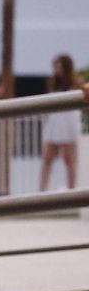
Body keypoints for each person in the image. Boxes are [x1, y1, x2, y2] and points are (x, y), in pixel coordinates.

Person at [40, 54, 82, 192]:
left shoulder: (76, 83)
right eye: (56, 66)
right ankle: (41, 192)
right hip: (54, 123)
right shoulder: (52, 82)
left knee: (69, 161)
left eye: (60, 66)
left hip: (68, 124)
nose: (57, 70)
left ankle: (72, 192)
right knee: (47, 159)